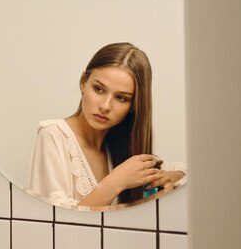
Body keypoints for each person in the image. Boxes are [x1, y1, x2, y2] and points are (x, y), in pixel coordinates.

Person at [26, 42, 186, 208]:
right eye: (98, 89)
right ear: (83, 82)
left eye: (121, 98)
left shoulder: (119, 144)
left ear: (133, 106)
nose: (105, 106)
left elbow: (187, 171)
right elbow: (53, 220)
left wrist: (169, 177)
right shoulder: (53, 135)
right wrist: (115, 182)